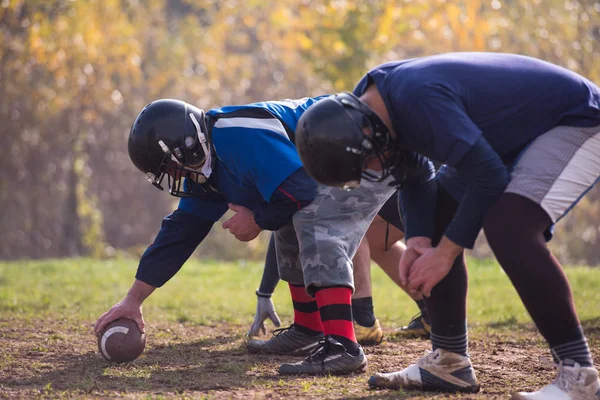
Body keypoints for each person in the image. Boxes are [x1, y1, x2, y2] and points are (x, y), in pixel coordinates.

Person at [294, 53, 600, 398]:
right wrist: (419, 242)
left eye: (368, 159)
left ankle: (580, 377)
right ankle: (449, 362)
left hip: (575, 119)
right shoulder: (373, 106)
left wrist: (446, 253)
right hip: (508, 135)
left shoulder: (416, 98)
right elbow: (415, 174)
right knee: (439, 210)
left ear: (364, 130)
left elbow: (488, 177)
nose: (376, 168)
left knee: (509, 226)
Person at [94, 97, 397, 376]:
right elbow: (179, 234)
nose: (175, 177)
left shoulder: (236, 136)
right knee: (290, 212)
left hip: (370, 151)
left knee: (311, 215)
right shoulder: (207, 164)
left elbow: (300, 189)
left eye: (172, 167)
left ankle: (343, 345)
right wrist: (133, 300)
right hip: (330, 162)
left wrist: (257, 220)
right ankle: (309, 329)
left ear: (188, 144)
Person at [248, 199, 431, 344]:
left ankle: (362, 320)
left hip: (417, 182)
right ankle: (432, 313)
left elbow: (286, 219)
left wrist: (265, 292)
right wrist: (265, 293)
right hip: (427, 179)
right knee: (376, 241)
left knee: (345, 221)